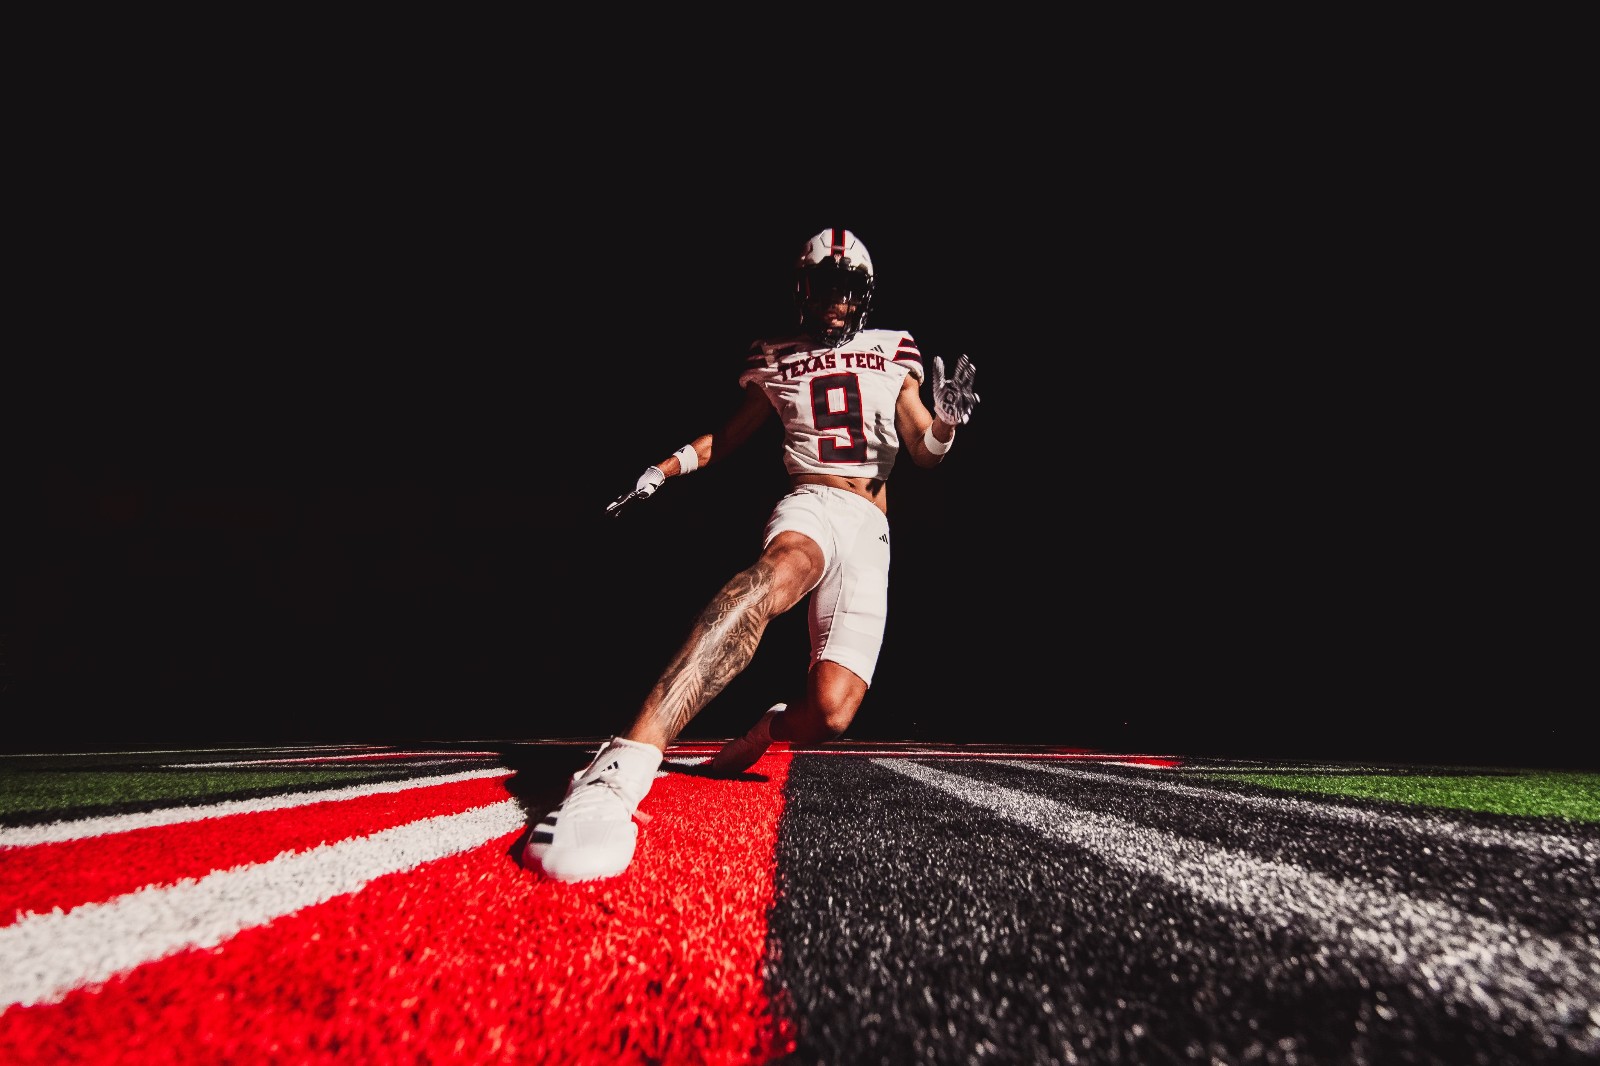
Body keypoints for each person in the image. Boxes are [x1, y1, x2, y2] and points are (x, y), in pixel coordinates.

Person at [527, 227, 980, 882]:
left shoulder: (895, 347)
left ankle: (766, 728)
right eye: (824, 286)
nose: (835, 301)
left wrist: (945, 426)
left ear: (863, 295)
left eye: (846, 289)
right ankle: (622, 766)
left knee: (830, 714)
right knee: (774, 575)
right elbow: (727, 436)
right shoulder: (774, 352)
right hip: (811, 502)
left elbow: (923, 453)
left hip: (870, 527)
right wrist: (662, 470)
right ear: (803, 289)